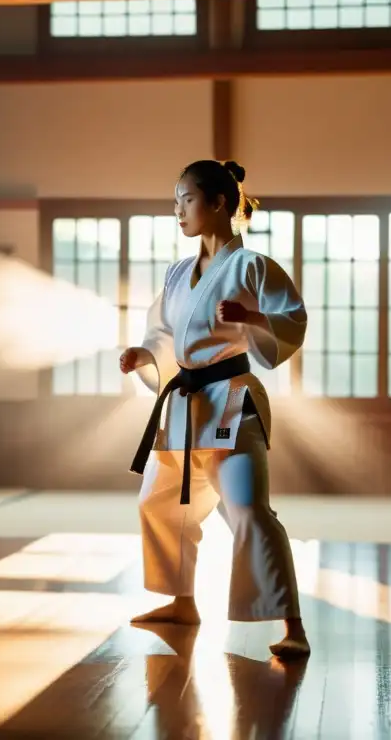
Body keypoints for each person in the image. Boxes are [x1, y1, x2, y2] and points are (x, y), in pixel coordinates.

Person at [119, 159, 311, 660]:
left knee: (249, 509)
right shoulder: (178, 272)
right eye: (175, 202)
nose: (178, 210)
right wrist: (145, 356)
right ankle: (183, 602)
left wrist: (251, 317)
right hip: (182, 405)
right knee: (160, 503)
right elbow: (163, 335)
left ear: (219, 202)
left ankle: (292, 624)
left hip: (230, 403)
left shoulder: (252, 267)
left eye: (186, 199)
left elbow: (291, 321)